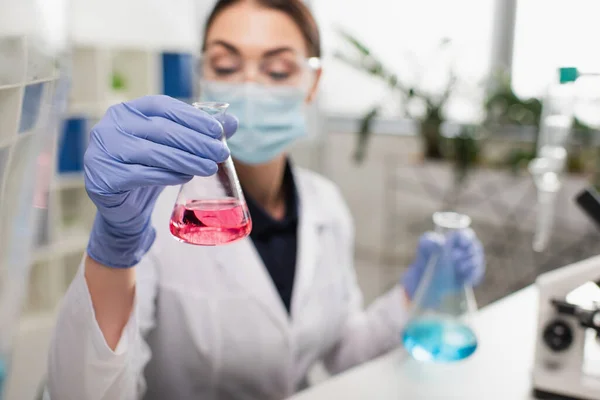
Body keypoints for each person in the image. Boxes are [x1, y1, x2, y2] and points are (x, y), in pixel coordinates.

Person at [47, 0, 485, 399]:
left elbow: (341, 352)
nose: (251, 87)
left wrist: (415, 292)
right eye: (225, 63)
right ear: (204, 77)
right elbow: (84, 392)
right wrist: (113, 251)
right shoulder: (154, 213)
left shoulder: (326, 204)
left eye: (277, 71)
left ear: (312, 83)